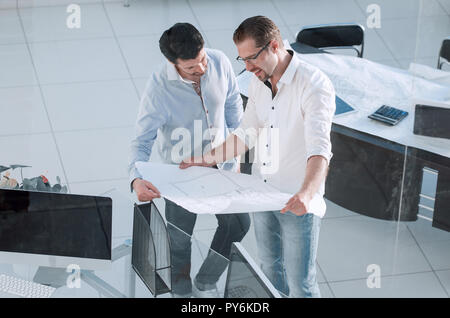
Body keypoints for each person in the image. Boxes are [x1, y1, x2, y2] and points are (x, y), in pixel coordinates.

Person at [180, 16, 335, 298]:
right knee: (270, 270)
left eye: (251, 58)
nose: (248, 67)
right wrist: (206, 158)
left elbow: (319, 149)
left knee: (302, 285)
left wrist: (305, 194)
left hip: (297, 201)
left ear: (274, 46)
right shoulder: (257, 81)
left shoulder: (313, 85)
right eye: (243, 60)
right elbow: (246, 133)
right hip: (262, 193)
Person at [128, 23, 250, 298]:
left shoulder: (218, 61)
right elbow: (142, 139)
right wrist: (136, 178)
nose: (202, 70)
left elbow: (232, 104)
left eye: (203, 60)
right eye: (192, 68)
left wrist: (237, 150)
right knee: (179, 239)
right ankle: (181, 291)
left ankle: (206, 281)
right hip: (182, 173)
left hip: (222, 164)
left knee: (238, 225)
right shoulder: (159, 88)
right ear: (174, 64)